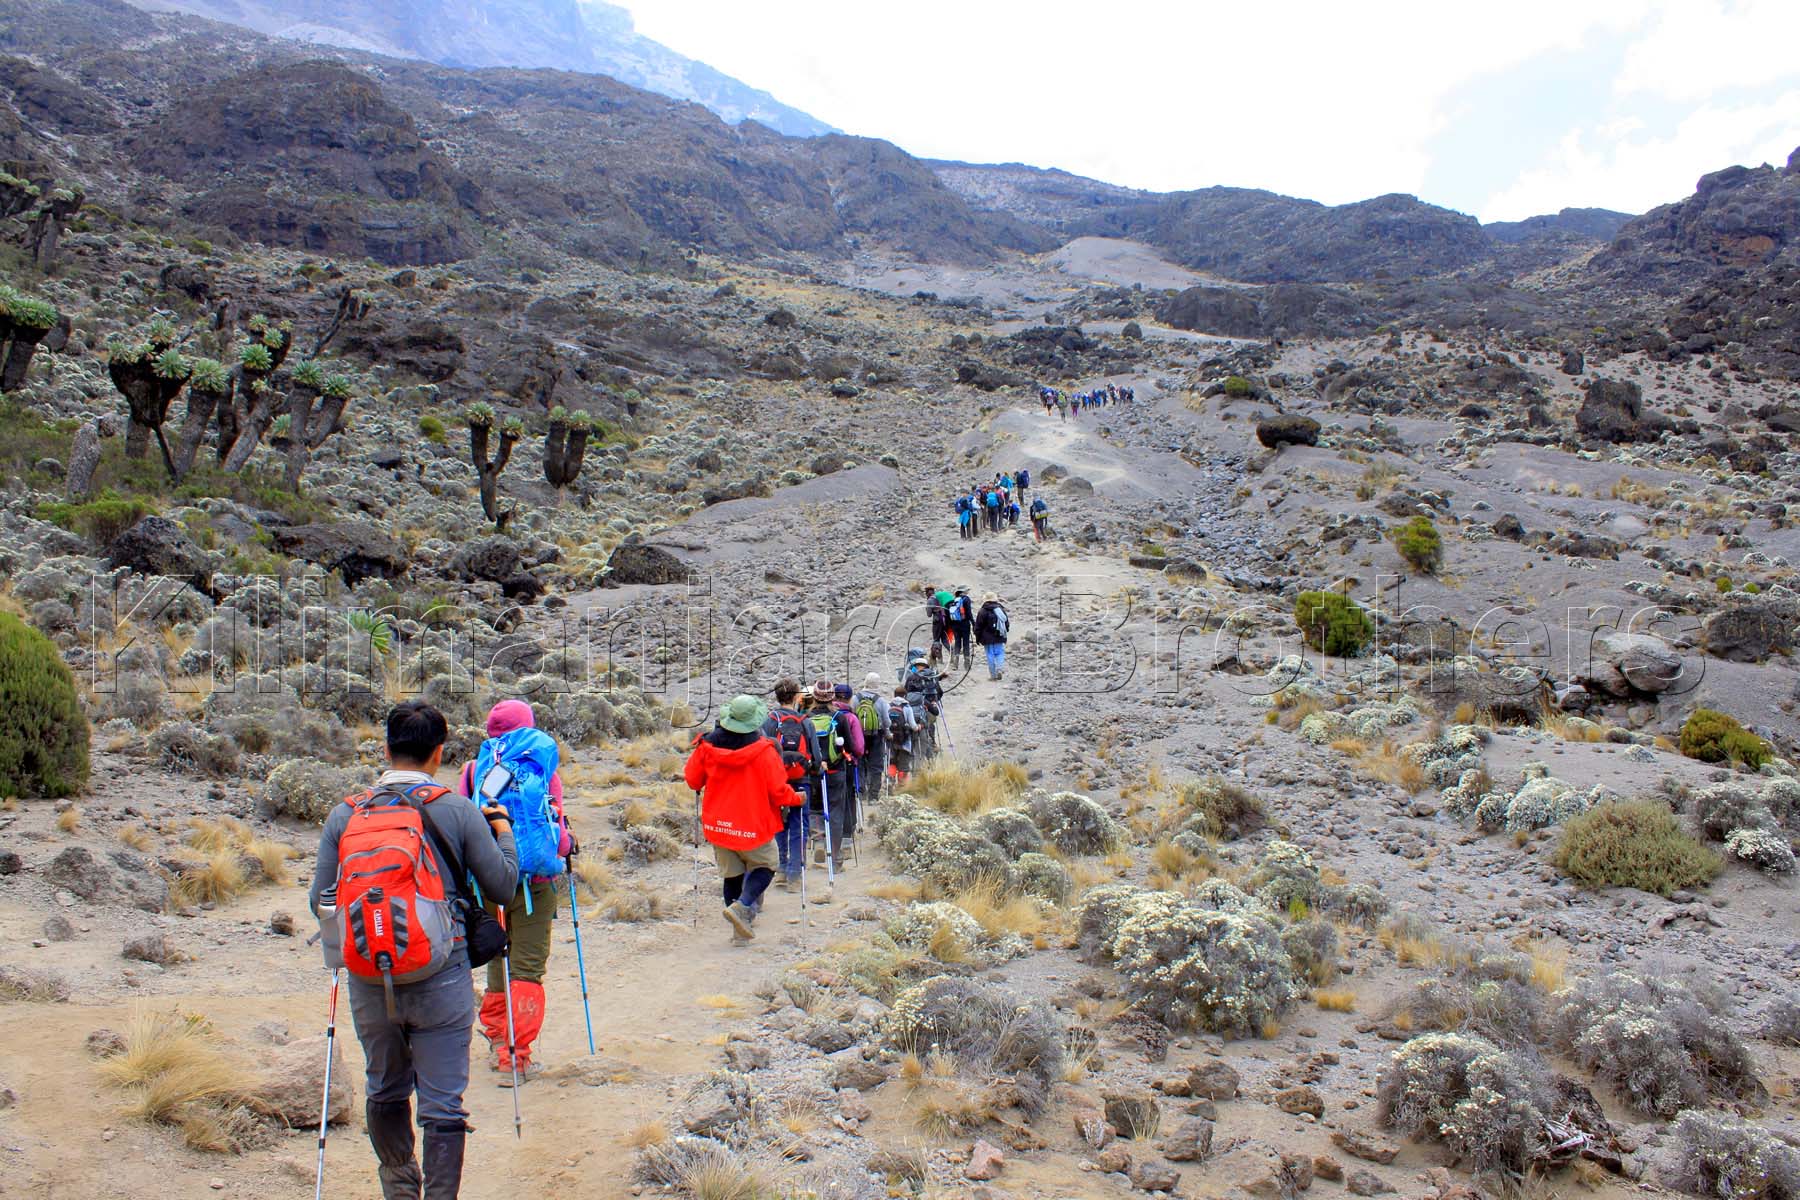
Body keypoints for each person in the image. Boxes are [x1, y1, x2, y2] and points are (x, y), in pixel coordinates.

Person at [310, 701, 519, 1200]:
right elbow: (504, 887)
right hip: (441, 974)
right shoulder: (458, 809)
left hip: (368, 974)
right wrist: (504, 831)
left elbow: (320, 898)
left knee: (384, 1088)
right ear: (439, 752)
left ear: (386, 748)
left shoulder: (346, 813)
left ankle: (399, 1189)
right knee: (443, 1104)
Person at [455, 701, 573, 1085]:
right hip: (535, 885)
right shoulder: (542, 768)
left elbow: (467, 823)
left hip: (491, 880)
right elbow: (556, 830)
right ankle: (516, 1058)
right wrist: (568, 846)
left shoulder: (474, 770)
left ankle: (496, 1039)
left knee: (496, 955)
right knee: (526, 968)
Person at [684, 695, 793, 943]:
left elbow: (692, 780)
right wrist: (796, 799)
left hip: (719, 824)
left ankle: (739, 931)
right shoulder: (764, 751)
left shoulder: (707, 746)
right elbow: (778, 792)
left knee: (731, 874)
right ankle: (743, 907)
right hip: (753, 824)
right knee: (766, 866)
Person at [761, 678, 819, 891]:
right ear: (796, 697)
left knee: (778, 825)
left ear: (776, 696)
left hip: (776, 781)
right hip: (801, 780)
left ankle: (781, 871)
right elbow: (815, 754)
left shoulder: (769, 720)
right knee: (799, 825)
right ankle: (796, 874)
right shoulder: (805, 721)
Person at [801, 681, 860, 872]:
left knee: (814, 809)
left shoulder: (806, 719)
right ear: (832, 696)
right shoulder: (839, 717)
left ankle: (818, 842)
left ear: (815, 697)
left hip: (813, 772)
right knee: (836, 812)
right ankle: (835, 858)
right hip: (836, 772)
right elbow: (849, 747)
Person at [852, 673, 889, 810]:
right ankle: (873, 796)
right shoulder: (880, 701)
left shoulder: (856, 698)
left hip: (859, 735)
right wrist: (887, 732)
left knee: (860, 763)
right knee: (876, 765)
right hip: (876, 736)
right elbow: (886, 721)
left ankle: (860, 792)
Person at [900, 650, 943, 761]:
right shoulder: (933, 676)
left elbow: (905, 692)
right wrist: (935, 701)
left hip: (914, 710)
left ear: (916, 666)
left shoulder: (911, 677)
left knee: (917, 730)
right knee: (929, 726)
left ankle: (914, 753)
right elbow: (940, 692)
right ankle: (932, 747)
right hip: (930, 707)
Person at [886, 686, 920, 785]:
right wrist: (917, 727)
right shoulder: (907, 707)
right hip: (904, 741)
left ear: (894, 695)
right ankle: (902, 787)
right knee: (903, 765)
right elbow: (913, 726)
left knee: (892, 762)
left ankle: (891, 782)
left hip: (891, 740)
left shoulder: (888, 706)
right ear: (905, 696)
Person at [974, 592, 1011, 681]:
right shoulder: (1000, 609)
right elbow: (1006, 623)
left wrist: (977, 638)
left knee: (990, 655)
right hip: (999, 636)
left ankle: (993, 675)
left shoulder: (982, 611)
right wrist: (1005, 633)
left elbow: (978, 626)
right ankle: (999, 668)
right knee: (999, 653)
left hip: (987, 638)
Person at [947, 587, 974, 670]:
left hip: (955, 625)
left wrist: (951, 625)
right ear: (963, 591)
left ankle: (955, 664)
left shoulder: (954, 600)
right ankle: (967, 665)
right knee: (966, 643)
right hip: (965, 624)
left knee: (957, 642)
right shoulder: (966, 599)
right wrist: (973, 622)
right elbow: (969, 613)